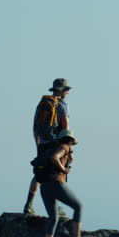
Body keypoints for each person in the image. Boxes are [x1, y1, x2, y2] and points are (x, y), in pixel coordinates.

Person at [33, 128, 88, 237]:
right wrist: (63, 169)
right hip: (55, 184)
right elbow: (54, 158)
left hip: (44, 186)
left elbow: (54, 156)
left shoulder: (54, 147)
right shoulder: (64, 147)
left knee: (53, 218)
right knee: (78, 206)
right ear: (71, 140)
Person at [23, 78, 73, 216]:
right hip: (56, 143)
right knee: (58, 174)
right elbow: (65, 128)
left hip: (42, 143)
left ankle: (28, 204)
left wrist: (38, 144)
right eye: (66, 89)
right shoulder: (62, 105)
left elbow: (35, 126)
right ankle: (56, 210)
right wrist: (67, 148)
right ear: (62, 91)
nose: (68, 92)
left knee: (39, 172)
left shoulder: (43, 103)